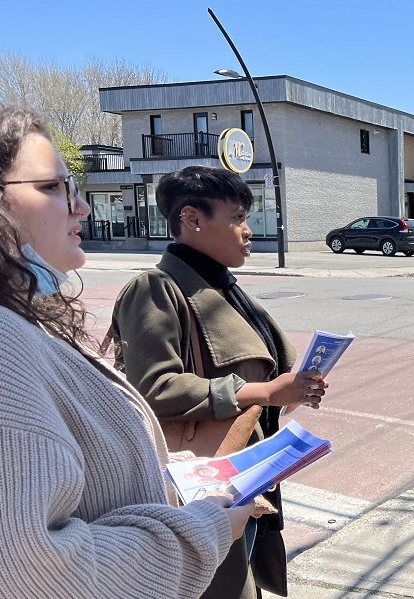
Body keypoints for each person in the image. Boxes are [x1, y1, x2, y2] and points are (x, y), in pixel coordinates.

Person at [0, 102, 251, 598]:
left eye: (73, 187)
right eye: (52, 187)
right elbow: (26, 574)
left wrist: (167, 477)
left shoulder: (9, 319)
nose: (82, 207)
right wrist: (205, 530)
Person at [110, 165, 325, 599]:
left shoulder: (224, 287)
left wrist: (288, 394)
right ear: (192, 219)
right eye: (236, 217)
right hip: (202, 482)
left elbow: (251, 375)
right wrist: (263, 392)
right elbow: (152, 389)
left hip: (244, 472)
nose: (248, 231)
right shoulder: (155, 288)